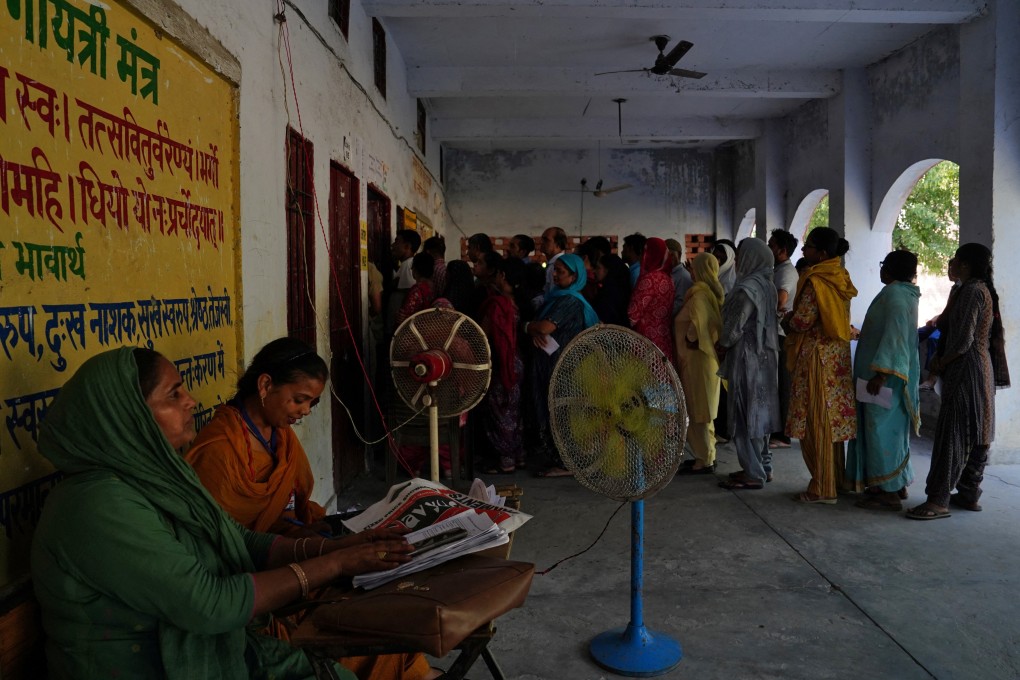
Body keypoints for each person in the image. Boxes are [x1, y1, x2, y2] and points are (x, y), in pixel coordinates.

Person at [32, 347, 434, 680]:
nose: (191, 401)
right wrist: (334, 564)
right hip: (156, 666)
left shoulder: (156, 478)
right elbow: (209, 604)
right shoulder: (96, 505)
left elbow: (238, 539)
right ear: (127, 417)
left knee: (386, 649)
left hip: (216, 642)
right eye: (173, 395)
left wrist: (337, 546)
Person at [186, 338, 334, 537]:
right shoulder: (219, 449)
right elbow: (218, 534)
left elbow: (286, 505)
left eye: (312, 403)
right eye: (300, 400)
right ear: (265, 385)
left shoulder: (281, 436)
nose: (306, 410)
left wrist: (296, 530)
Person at [907, 243, 1010, 519]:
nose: (950, 265)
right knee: (976, 430)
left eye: (954, 261)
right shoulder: (969, 289)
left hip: (967, 370)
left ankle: (938, 501)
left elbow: (963, 341)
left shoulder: (973, 291)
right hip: (976, 368)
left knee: (954, 434)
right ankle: (968, 493)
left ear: (964, 264)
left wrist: (939, 364)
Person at [784, 227, 858, 504]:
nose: (804, 251)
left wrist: (787, 320)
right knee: (831, 421)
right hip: (837, 356)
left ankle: (822, 488)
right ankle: (834, 480)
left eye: (809, 247)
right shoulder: (841, 276)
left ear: (823, 253)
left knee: (816, 422)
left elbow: (802, 320)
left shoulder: (816, 280)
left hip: (816, 356)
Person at [847, 250, 920, 511]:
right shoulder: (901, 293)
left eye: (883, 265)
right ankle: (895, 483)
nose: (880, 270)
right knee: (889, 432)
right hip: (884, 377)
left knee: (879, 432)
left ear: (889, 269)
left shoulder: (897, 296)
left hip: (883, 380)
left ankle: (887, 493)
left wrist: (880, 374)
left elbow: (895, 337)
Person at [525, 254, 600, 477]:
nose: (555, 275)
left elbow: (545, 328)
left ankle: (569, 463)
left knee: (564, 415)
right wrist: (531, 328)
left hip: (565, 369)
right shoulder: (556, 298)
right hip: (550, 367)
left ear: (575, 276)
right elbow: (537, 328)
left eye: (560, 271)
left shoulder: (570, 301)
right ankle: (563, 460)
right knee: (554, 412)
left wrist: (529, 326)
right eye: (554, 270)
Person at [716, 239, 781, 490]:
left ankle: (753, 473)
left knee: (745, 412)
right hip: (767, 356)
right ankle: (763, 465)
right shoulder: (768, 285)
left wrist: (723, 342)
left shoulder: (748, 288)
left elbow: (734, 325)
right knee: (763, 412)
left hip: (747, 357)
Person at [674, 252, 724, 474]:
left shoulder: (700, 296)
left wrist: (689, 339)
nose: (691, 271)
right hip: (702, 361)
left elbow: (697, 329)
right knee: (703, 410)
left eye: (694, 268)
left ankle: (703, 460)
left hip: (698, 361)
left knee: (699, 411)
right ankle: (707, 455)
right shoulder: (708, 293)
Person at [478, 257, 527, 474]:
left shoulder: (497, 304)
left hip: (500, 362)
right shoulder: (518, 303)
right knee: (514, 411)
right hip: (517, 361)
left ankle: (505, 460)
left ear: (503, 276)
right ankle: (519, 456)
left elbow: (483, 335)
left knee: (499, 410)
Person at [768, 229, 799, 449]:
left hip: (780, 333)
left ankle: (783, 435)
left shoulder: (786, 272)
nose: (769, 248)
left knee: (782, 384)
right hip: (775, 332)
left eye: (771, 245)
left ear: (782, 250)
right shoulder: (778, 269)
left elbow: (782, 300)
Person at [628, 237, 675, 361]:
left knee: (648, 378)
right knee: (663, 376)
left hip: (647, 341)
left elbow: (632, 315)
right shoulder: (669, 279)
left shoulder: (649, 279)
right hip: (664, 338)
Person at [396, 252, 436, 325]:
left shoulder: (416, 290)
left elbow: (405, 315)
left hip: (415, 331)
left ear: (415, 269)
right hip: (429, 328)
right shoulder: (433, 287)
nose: (411, 269)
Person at [592, 253, 631, 327]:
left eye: (598, 268)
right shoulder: (620, 289)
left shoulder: (609, 293)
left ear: (607, 270)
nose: (594, 271)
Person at [665, 238, 693, 317]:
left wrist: (662, 312)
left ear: (680, 254)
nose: (669, 258)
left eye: (672, 255)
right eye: (666, 255)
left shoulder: (683, 276)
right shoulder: (668, 272)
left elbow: (679, 304)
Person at [538, 226, 568, 296]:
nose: (541, 242)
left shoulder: (560, 265)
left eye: (546, 240)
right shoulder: (552, 264)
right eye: (542, 239)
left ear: (558, 244)